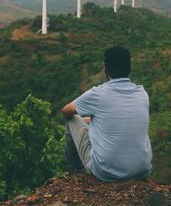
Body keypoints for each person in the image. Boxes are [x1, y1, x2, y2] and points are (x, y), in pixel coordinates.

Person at [61, 46, 152, 181]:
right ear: (129, 69)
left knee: (71, 119)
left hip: (105, 171)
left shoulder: (98, 94)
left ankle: (75, 171)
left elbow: (65, 111)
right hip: (142, 169)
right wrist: (92, 120)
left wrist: (88, 120)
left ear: (106, 69)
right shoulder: (142, 94)